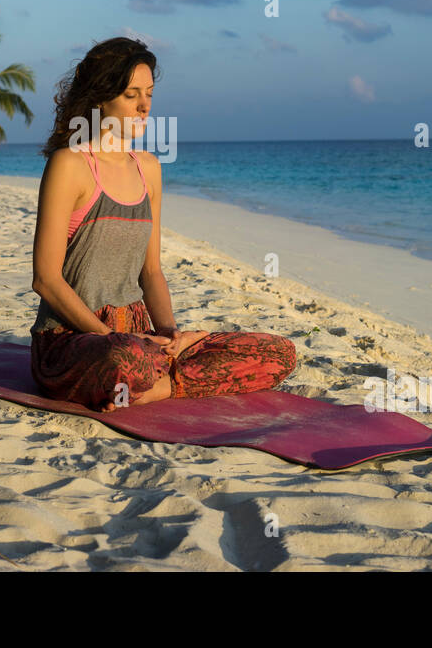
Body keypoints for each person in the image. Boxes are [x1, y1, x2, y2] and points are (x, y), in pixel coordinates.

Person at [29, 37, 296, 413]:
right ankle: (157, 377)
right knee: (124, 358)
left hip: (140, 334)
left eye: (149, 94)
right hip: (75, 339)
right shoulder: (69, 164)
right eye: (131, 95)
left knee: (279, 352)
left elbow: (151, 271)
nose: (144, 106)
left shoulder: (148, 168)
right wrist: (108, 336)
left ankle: (162, 386)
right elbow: (45, 279)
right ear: (99, 99)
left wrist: (171, 334)